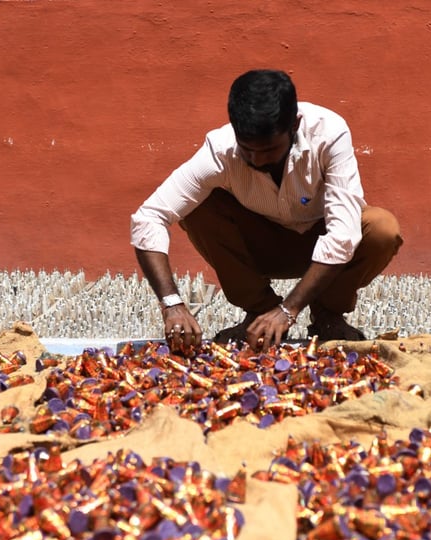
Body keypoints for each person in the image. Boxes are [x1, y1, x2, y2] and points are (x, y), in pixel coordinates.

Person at [130, 69, 402, 350]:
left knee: (381, 229)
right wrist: (171, 304)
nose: (257, 160)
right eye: (247, 150)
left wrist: (289, 310)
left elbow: (342, 235)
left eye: (270, 149)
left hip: (323, 250)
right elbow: (149, 217)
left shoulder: (329, 133)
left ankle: (327, 314)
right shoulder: (221, 148)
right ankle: (259, 311)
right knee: (198, 209)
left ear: (294, 125)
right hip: (260, 247)